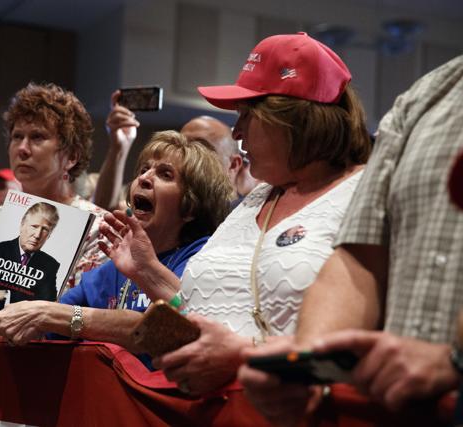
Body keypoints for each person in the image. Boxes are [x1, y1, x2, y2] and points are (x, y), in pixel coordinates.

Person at [126, 32, 371, 396]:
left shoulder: (363, 195)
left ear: (292, 121)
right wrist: (149, 274)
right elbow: (199, 304)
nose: (237, 132)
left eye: (246, 116)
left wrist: (245, 358)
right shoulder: (258, 198)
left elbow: (359, 347)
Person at [238, 55, 463, 423]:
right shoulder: (426, 96)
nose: (237, 132)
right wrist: (307, 370)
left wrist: (455, 360)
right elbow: (358, 259)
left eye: (249, 115)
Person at [0, 130, 232, 348]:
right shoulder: (113, 265)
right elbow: (46, 322)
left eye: (165, 174)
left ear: (191, 207)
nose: (145, 178)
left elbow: (156, 328)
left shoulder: (200, 259)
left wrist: (53, 316)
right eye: (143, 169)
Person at [0, 82, 107, 299]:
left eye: (37, 137)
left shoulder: (98, 227)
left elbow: (86, 310)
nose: (23, 149)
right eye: (17, 137)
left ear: (71, 156)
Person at [93, 92, 256, 212]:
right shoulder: (173, 207)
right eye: (182, 147)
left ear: (234, 164)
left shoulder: (244, 218)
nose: (187, 156)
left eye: (201, 148)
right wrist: (119, 147)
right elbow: (107, 211)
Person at [0, 202, 60, 305]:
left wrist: (7, 294)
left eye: (45, 229)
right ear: (22, 225)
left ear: (50, 234)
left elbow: (47, 305)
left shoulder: (51, 265)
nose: (37, 235)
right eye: (34, 226)